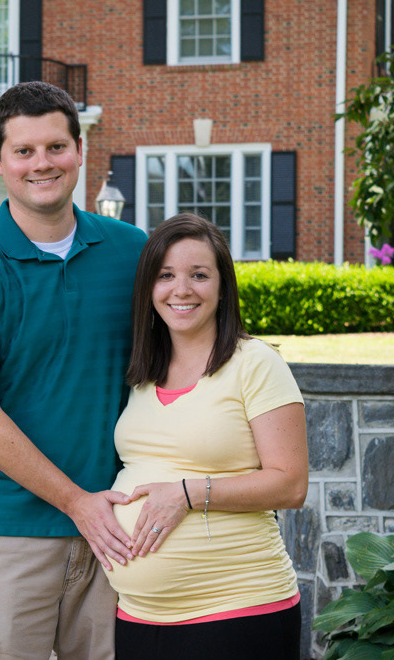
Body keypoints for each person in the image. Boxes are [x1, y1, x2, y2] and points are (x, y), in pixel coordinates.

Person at [0, 81, 147, 659]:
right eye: (23, 151)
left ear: (80, 149)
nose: (42, 163)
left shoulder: (135, 254)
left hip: (121, 529)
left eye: (56, 147)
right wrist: (78, 501)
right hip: (7, 530)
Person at [105, 213, 309, 658]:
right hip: (138, 615)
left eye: (199, 275)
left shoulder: (254, 363)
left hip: (237, 610)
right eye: (166, 275)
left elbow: (290, 484)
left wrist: (187, 494)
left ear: (222, 286)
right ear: (149, 288)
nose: (182, 289)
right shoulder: (144, 372)